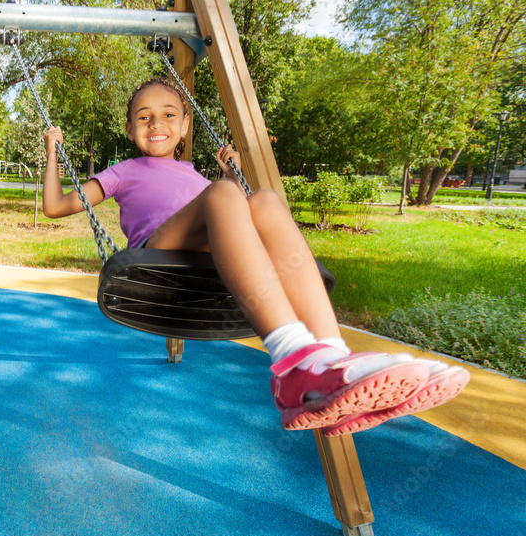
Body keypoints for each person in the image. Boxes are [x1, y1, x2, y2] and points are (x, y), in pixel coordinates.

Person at [42, 77, 468, 436]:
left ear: (186, 124)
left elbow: (234, 225)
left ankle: (332, 361)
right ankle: (291, 360)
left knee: (261, 199)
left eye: (170, 113)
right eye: (144, 116)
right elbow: (56, 206)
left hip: (210, 270)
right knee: (228, 193)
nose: (157, 123)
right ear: (131, 128)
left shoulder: (199, 177)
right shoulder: (124, 171)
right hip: (155, 260)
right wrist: (52, 152)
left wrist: (230, 176)